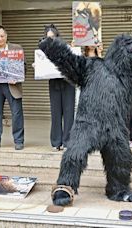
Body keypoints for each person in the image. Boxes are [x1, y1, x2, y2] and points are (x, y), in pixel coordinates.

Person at [43, 24, 76, 152]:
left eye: (52, 37)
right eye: (48, 37)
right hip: (54, 83)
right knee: (55, 113)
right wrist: (38, 66)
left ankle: (68, 142)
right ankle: (56, 142)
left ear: (57, 36)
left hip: (68, 83)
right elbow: (43, 66)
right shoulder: (43, 51)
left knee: (69, 113)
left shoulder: (67, 47)